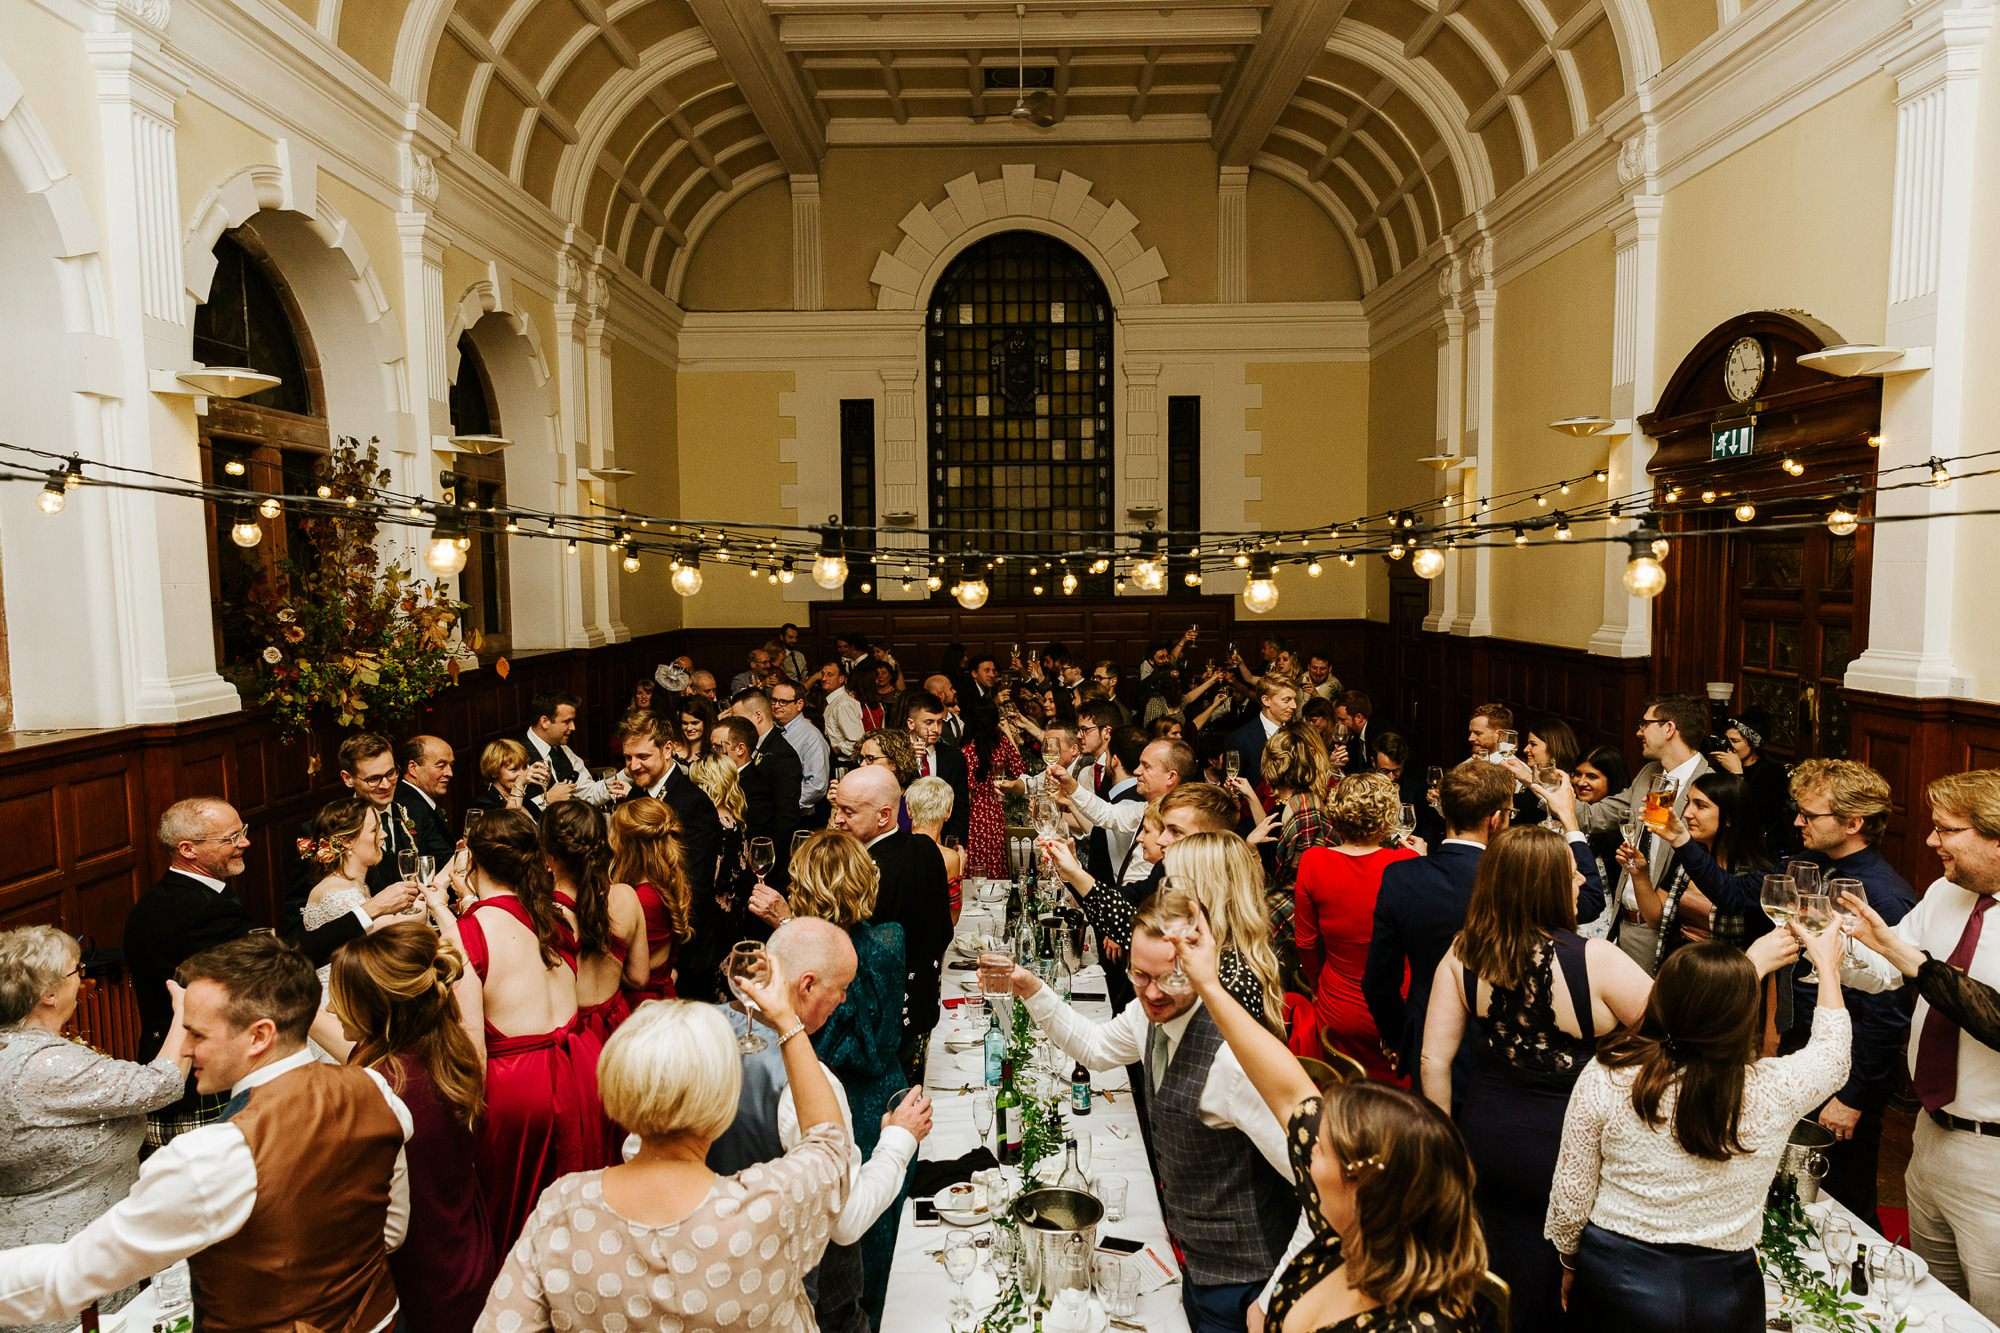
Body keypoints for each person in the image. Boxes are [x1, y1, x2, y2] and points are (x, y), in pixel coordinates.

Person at [0, 934, 413, 1331]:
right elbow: (390, 1232)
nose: (183, 1049)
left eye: (198, 1034)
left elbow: (69, 1276)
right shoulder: (375, 1090)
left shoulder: (212, 1155)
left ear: (259, 1036)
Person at [1002, 894, 1309, 1333]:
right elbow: (1096, 1046)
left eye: (1169, 979)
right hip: (1192, 1261)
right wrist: (1032, 989)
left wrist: (1275, 1295)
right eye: (1139, 974)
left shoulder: (1231, 1060)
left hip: (1243, 1280)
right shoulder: (1146, 1017)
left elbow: (1321, 1190)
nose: (1151, 992)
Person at [1168, 915, 1488, 1332]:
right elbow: (1288, 1092)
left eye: (1323, 1145)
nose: (1310, 1140)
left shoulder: (1411, 1324)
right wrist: (1208, 985)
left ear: (1363, 1183)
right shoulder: (1340, 1234)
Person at [478, 986, 851, 1332]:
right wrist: (788, 1022)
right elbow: (829, 1144)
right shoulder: (767, 1209)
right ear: (723, 1099)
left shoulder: (563, 1207)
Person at [1545, 929, 1850, 1330]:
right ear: (1745, 1018)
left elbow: (1572, 1198)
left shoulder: (1610, 1077)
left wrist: (1570, 1262)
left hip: (1615, 1277)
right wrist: (1828, 967)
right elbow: (1833, 1056)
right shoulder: (1773, 1089)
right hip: (1724, 1291)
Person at [1417, 827, 1660, 1329]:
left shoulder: (1464, 952)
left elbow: (1432, 1062)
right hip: (1571, 1142)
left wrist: (1449, 1148)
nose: (1578, 880)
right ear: (1545, 884)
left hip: (1487, 1132)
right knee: (1560, 1276)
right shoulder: (1597, 961)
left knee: (1498, 1262)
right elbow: (1677, 1029)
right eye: (1570, 872)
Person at [126, 797, 411, 1145]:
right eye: (230, 838)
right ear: (188, 849)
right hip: (197, 1083)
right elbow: (276, 968)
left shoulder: (167, 900)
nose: (244, 843)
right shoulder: (199, 909)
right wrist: (369, 911)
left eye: (241, 832)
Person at [1828, 769, 2000, 1317]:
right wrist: (1832, 951)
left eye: (1947, 830)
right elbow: (1886, 966)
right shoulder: (1944, 893)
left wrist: (1908, 960)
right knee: (1934, 1305)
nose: (1931, 842)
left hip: (1992, 1154)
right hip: (1931, 1135)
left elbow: (1994, 1018)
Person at [0, 926, 189, 1333]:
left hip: (32, 1256)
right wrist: (184, 1016)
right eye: (75, 971)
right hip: (64, 1263)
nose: (84, 979)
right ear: (48, 994)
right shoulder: (45, 1065)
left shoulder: (12, 1050)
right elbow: (160, 1084)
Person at [327, 922, 496, 1333]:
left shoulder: (380, 1089)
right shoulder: (447, 1050)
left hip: (418, 1279)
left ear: (374, 1006)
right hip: (465, 1252)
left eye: (338, 998)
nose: (331, 1009)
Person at [447, 809, 601, 1253]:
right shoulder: (557, 916)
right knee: (576, 1212)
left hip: (518, 1086)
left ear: (473, 863)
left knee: (515, 1220)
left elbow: (471, 1045)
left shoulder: (469, 932)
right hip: (580, 1069)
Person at [788, 839, 916, 1327]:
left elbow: (856, 1043)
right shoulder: (888, 939)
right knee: (874, 1234)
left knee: (830, 1236)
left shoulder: (800, 958)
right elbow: (882, 1041)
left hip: (824, 1095)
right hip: (876, 1093)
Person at [1782, 757, 1914, 1227]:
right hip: (1810, 1051)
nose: (1799, 822)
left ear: (1854, 823)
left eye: (1810, 815)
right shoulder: (1815, 867)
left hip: (1848, 1073)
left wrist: (1854, 1095)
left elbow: (1889, 1010)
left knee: (1843, 1201)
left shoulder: (1884, 894)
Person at [1362, 762, 1518, 1079]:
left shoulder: (1401, 877)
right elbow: (1589, 902)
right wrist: (1570, 822)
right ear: (1497, 820)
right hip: (1502, 1042)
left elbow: (1378, 980)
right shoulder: (1513, 879)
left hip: (1424, 1032)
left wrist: (1397, 1037)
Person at [830, 764, 951, 1074]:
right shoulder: (925, 848)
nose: (838, 819)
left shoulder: (865, 872)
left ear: (884, 816)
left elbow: (849, 953)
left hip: (881, 1023)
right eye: (837, 809)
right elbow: (943, 931)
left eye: (848, 811)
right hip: (923, 1007)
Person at [1298, 774, 1419, 1081]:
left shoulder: (1314, 862)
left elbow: (1307, 943)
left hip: (1339, 1007)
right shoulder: (1406, 862)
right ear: (1387, 816)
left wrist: (1315, 987)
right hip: (1397, 1004)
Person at [1573, 693, 1713, 953]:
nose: (1639, 732)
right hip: (1624, 923)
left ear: (1668, 728)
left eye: (1645, 724)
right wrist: (1539, 784)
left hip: (1669, 934)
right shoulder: (1649, 774)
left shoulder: (1708, 785)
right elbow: (1596, 816)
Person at [1616, 770, 1774, 970]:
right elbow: (1656, 918)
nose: (1687, 813)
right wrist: (1640, 875)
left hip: (1726, 975)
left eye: (1701, 806)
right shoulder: (1687, 860)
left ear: (1729, 818)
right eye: (1688, 802)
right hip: (1680, 965)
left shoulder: (1756, 875)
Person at [543, 801, 649, 1047]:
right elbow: (639, 977)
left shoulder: (543, 915)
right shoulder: (626, 896)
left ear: (549, 855)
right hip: (618, 1030)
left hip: (573, 1042)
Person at [613, 710, 723, 915]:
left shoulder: (694, 803)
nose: (633, 766)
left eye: (643, 756)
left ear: (667, 749)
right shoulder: (635, 794)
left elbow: (696, 884)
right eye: (628, 757)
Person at [608, 796, 695, 1006]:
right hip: (661, 994)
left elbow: (635, 975)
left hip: (641, 1006)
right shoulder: (662, 881)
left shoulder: (641, 899)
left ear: (628, 845)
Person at [723, 690, 805, 868]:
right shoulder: (756, 746)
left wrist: (768, 857)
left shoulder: (782, 755)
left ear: (758, 716)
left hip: (768, 852)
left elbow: (786, 816)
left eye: (739, 718)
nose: (735, 725)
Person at [1709, 709, 1794, 858]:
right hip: (1724, 840)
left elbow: (1758, 814)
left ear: (1753, 744)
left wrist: (1737, 773)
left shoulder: (1772, 771)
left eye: (1735, 741)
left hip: (1757, 847)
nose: (1729, 746)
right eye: (1726, 740)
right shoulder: (1718, 767)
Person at [960, 700, 1025, 878]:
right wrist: (1008, 735)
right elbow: (1020, 770)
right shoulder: (1002, 744)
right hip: (995, 810)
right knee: (995, 860)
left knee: (975, 863)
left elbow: (966, 789)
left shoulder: (966, 750)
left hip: (973, 814)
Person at [523, 690, 615, 808]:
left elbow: (588, 794)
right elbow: (507, 815)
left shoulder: (563, 750)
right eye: (567, 721)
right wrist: (546, 799)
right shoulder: (514, 753)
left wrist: (627, 774)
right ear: (545, 722)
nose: (573, 727)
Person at [903, 690, 971, 845]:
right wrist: (908, 761)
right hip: (904, 841)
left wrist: (957, 843)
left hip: (943, 840)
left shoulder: (954, 757)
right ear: (911, 723)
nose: (935, 729)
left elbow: (960, 807)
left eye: (939, 722)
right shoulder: (897, 755)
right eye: (928, 722)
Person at [771, 677, 832, 824]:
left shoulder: (811, 737)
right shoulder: (775, 730)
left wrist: (786, 806)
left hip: (799, 817)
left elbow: (817, 785)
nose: (776, 706)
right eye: (773, 700)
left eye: (783, 702)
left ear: (799, 704)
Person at [905, 775, 965, 922]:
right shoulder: (949, 858)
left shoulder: (895, 848)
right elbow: (952, 919)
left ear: (908, 810)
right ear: (948, 812)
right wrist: (960, 868)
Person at [395, 734, 458, 863]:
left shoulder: (416, 799)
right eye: (441, 765)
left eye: (450, 765)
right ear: (413, 768)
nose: (449, 773)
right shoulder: (412, 805)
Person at [1228, 675, 1299, 784]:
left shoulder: (1298, 734)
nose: (1294, 705)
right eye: (1286, 700)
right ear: (1266, 700)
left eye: (1295, 699)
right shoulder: (1240, 739)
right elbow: (1232, 786)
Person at [819, 660, 866, 764]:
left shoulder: (843, 704)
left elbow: (858, 741)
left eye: (829, 675)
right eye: (822, 674)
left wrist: (836, 749)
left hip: (845, 763)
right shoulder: (834, 701)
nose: (823, 678)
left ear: (841, 679)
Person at [471, 738, 533, 814]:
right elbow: (512, 822)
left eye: (524, 768)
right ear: (494, 771)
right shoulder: (484, 803)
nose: (523, 774)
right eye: (514, 769)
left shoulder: (523, 797)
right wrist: (518, 785)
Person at [674, 695, 718, 764]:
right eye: (685, 723)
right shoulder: (672, 750)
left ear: (706, 723)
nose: (689, 728)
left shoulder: (714, 754)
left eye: (694, 723)